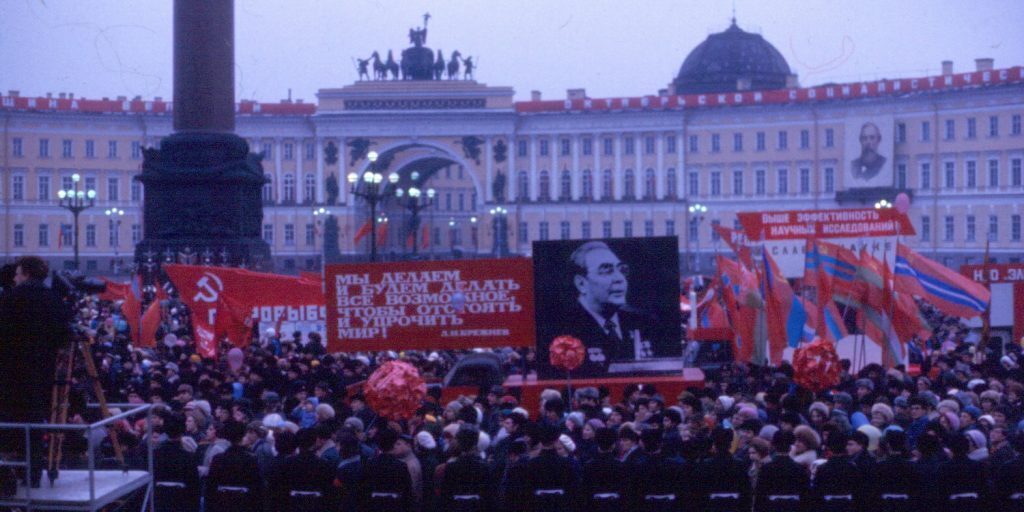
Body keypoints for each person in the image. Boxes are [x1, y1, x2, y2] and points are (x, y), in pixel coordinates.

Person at [0, 256, 70, 487]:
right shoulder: (53, 299)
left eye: (18, 273)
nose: (15, 277)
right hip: (43, 373)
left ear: (27, 273)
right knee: (35, 422)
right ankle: (33, 475)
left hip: (11, 373)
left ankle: (12, 473)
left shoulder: (11, 298)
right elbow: (64, 336)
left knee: (12, 422)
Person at [551, 241, 664, 376]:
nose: (620, 279)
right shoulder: (561, 328)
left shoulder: (645, 322)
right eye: (606, 270)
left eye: (622, 270)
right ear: (581, 283)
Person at [265, 427, 336, 512]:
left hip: (291, 505)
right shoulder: (325, 465)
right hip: (316, 505)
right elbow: (329, 492)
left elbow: (279, 491)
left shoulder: (287, 464)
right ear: (315, 442)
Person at [205, 420, 262, 512]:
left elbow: (211, 487)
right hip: (244, 503)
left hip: (222, 502)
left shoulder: (218, 459)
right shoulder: (251, 460)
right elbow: (256, 487)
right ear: (243, 436)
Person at [152, 414, 200, 512]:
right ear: (183, 430)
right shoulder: (188, 457)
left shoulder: (155, 454)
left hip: (159, 499)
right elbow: (194, 487)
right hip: (181, 501)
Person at [438, 426, 493, 510]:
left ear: (460, 444)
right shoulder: (485, 467)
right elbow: (488, 495)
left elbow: (445, 495)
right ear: (475, 443)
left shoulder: (450, 467)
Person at [359, 427, 413, 512]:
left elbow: (362, 491)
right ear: (393, 445)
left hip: (373, 506)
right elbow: (408, 493)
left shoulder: (370, 464)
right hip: (394, 506)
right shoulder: (401, 466)